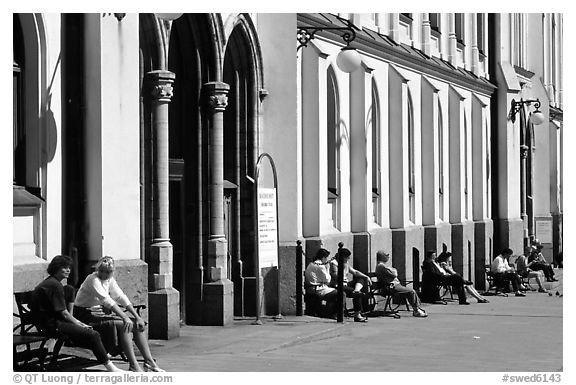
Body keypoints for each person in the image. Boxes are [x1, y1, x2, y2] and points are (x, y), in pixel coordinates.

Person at [30, 255, 125, 372]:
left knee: (92, 332)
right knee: (93, 334)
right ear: (56, 268)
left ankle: (108, 356)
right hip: (52, 325)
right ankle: (110, 366)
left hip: (50, 322)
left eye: (69, 267)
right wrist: (79, 323)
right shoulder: (55, 285)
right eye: (64, 268)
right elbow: (64, 313)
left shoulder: (52, 283)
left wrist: (76, 323)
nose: (68, 270)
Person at [74, 256, 165, 372]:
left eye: (107, 272)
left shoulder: (109, 280)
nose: (103, 274)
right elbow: (107, 300)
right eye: (101, 271)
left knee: (137, 325)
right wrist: (125, 317)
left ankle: (149, 361)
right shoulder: (92, 279)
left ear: (112, 272)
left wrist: (137, 317)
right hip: (85, 317)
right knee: (125, 324)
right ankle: (133, 364)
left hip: (98, 314)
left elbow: (120, 297)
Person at [375, 250, 427, 317]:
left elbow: (393, 272)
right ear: (382, 257)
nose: (388, 257)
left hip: (393, 285)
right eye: (386, 255)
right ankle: (416, 310)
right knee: (411, 291)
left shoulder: (382, 266)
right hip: (392, 287)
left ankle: (417, 308)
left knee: (412, 291)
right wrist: (394, 270)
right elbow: (394, 274)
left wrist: (393, 270)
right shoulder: (381, 266)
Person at [328, 248, 370, 323]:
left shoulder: (345, 263)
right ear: (343, 257)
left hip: (345, 284)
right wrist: (343, 266)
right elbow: (336, 277)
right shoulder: (334, 263)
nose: (349, 259)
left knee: (360, 279)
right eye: (347, 257)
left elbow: (355, 272)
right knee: (357, 295)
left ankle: (356, 290)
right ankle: (357, 315)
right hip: (337, 285)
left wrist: (366, 277)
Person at [304, 248, 338, 316]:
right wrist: (327, 268)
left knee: (335, 292)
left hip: (312, 287)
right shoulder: (321, 266)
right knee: (340, 294)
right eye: (326, 258)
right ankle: (335, 313)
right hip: (318, 289)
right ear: (323, 257)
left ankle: (329, 311)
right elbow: (328, 279)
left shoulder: (311, 264)